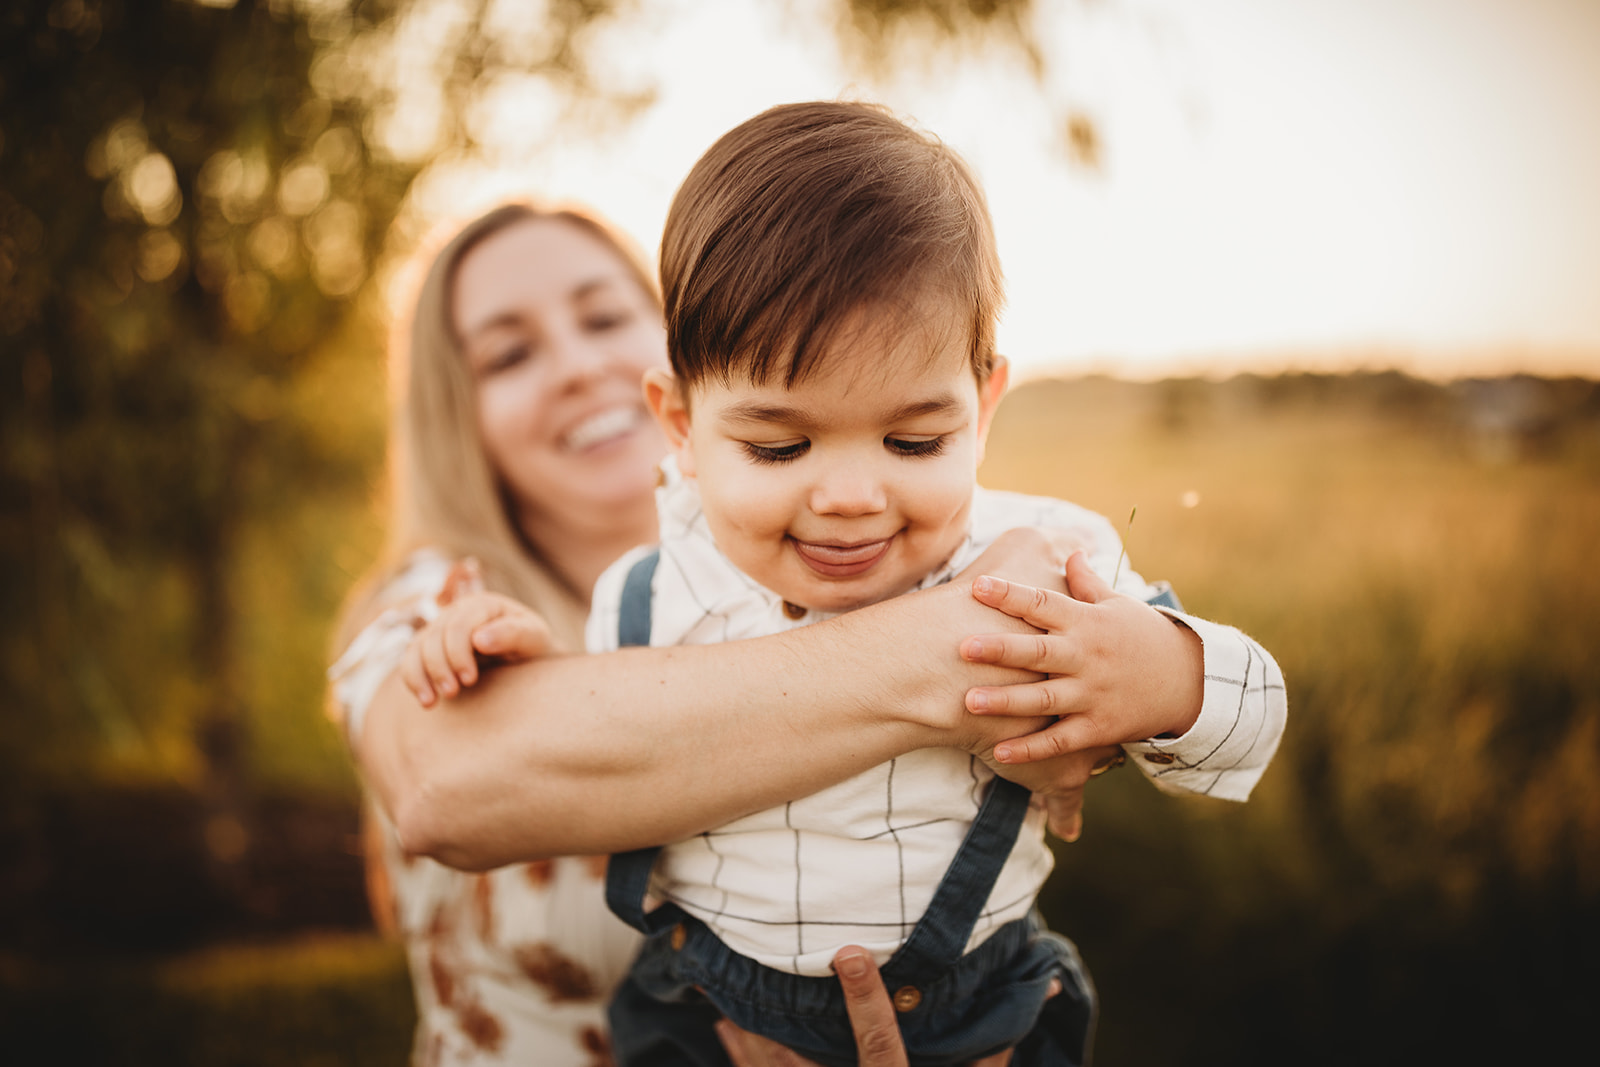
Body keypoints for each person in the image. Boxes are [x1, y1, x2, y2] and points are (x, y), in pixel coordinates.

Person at [407, 103, 1285, 1066]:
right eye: (780, 445)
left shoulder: (1041, 555)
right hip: (703, 1016)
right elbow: (595, 730)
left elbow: (1253, 712)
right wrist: (520, 663)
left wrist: (1152, 671)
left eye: (916, 440)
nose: (854, 497)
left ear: (984, 405)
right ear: (679, 422)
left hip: (972, 1017)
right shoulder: (651, 589)